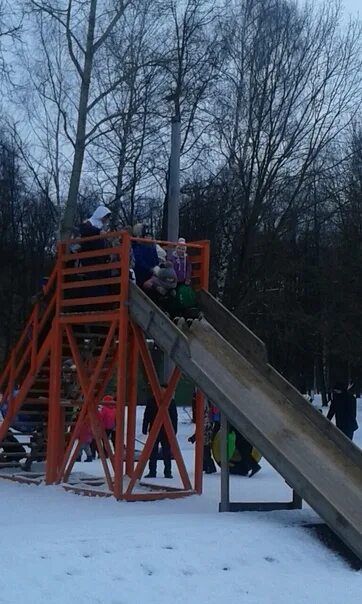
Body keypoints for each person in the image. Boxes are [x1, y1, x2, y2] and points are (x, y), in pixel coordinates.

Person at [142, 387, 178, 479]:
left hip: (166, 430)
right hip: (155, 429)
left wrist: (174, 430)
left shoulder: (170, 401)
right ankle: (152, 471)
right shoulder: (152, 401)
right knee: (153, 452)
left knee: (166, 452)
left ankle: (167, 472)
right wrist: (144, 427)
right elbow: (147, 415)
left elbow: (174, 417)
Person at [188, 399, 217, 474]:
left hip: (206, 436)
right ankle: (205, 466)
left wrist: (194, 437)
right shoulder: (206, 414)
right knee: (204, 451)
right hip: (206, 434)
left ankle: (210, 467)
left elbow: (203, 427)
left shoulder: (206, 415)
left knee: (205, 452)